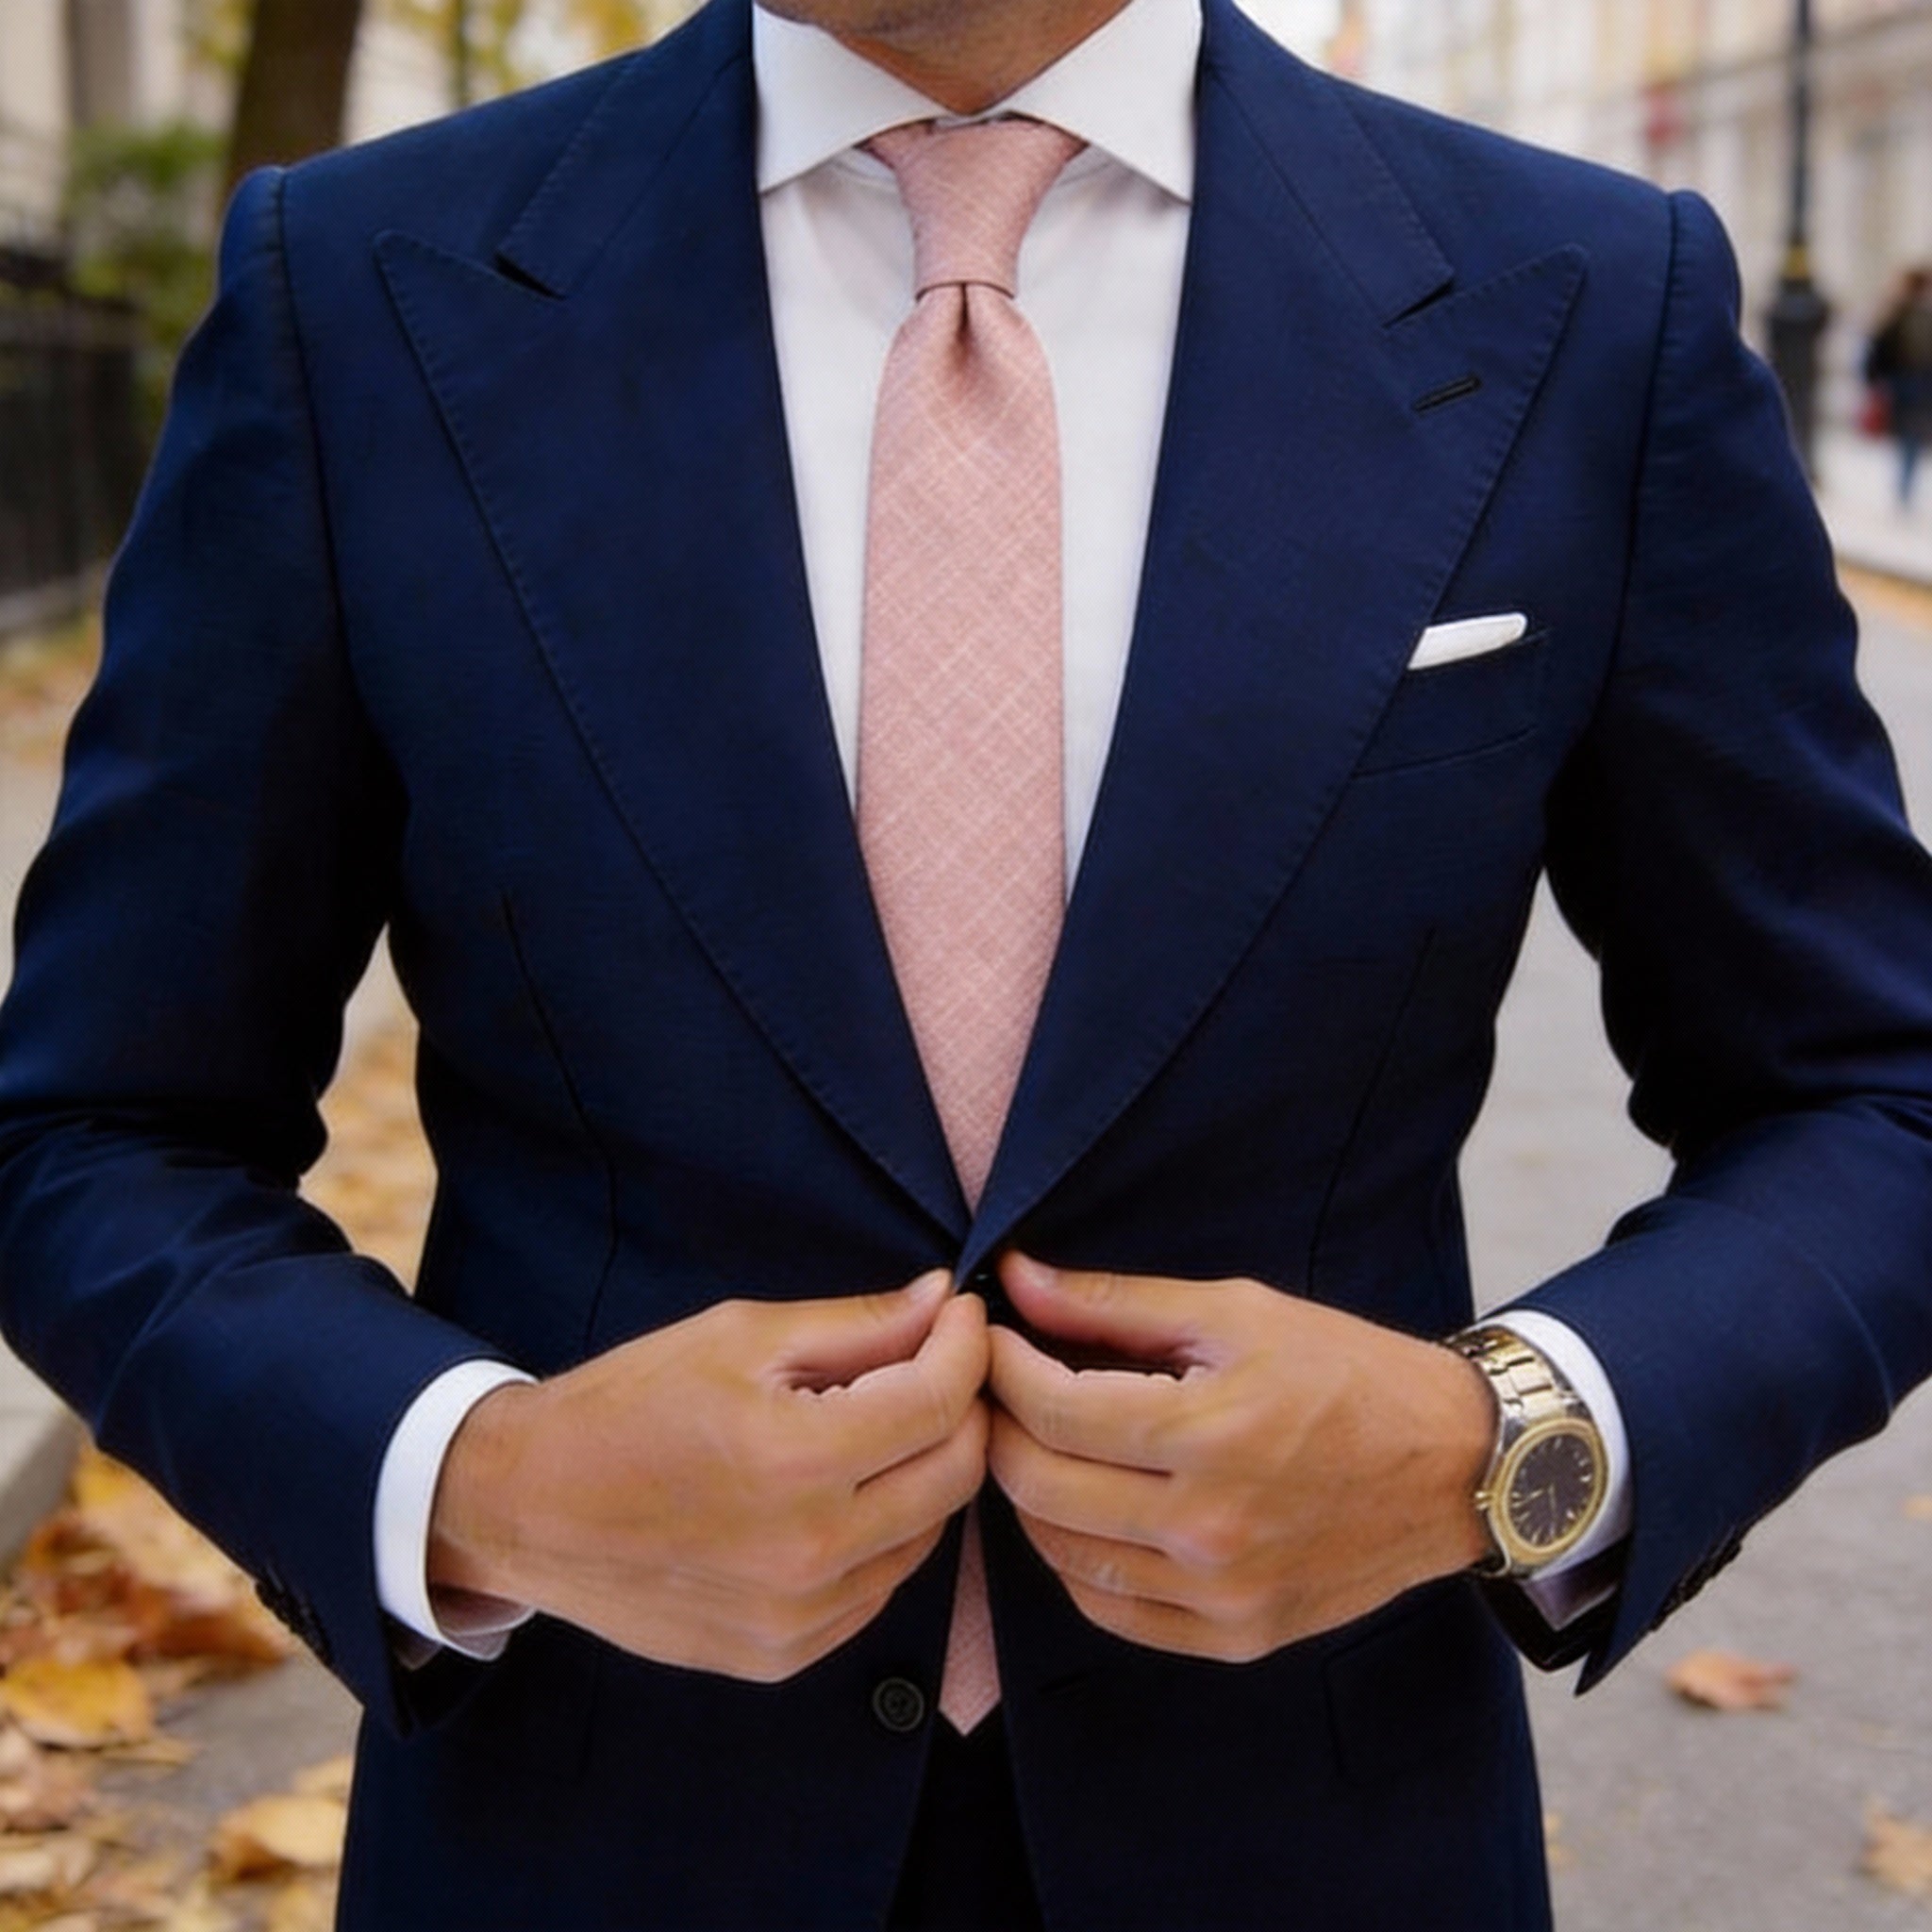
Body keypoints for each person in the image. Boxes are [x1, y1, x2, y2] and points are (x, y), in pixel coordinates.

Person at [1, 0, 1929, 1926]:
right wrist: (481, 1482)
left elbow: (1870, 1091)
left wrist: (1497, 1441)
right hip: (585, 1825)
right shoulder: (359, 291)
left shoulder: (1585, 300)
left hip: (1318, 1832)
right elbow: (92, 1125)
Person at [1867, 266, 1932, 509]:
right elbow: (1880, 348)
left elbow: (1877, 349)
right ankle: (1905, 486)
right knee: (1912, 435)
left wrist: (1874, 379)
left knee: (1910, 435)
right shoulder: (1901, 313)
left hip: (1910, 383)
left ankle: (1904, 486)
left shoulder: (1897, 312)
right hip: (1913, 383)